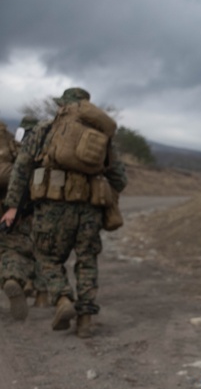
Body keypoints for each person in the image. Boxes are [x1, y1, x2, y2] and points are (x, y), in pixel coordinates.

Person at [1, 88, 127, 338]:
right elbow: (120, 178)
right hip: (89, 210)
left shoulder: (46, 129)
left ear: (63, 106)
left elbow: (22, 168)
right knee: (87, 259)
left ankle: (62, 299)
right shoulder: (101, 136)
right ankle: (86, 319)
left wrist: (13, 205)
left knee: (46, 257)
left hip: (52, 207)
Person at [0, 115, 44, 320]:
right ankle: (14, 279)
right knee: (14, 247)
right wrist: (15, 206)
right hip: (13, 205)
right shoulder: (11, 142)